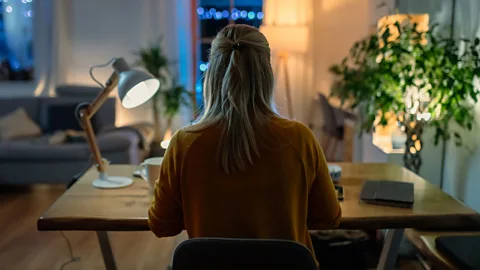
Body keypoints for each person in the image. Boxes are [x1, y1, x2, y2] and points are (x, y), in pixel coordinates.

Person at [148, 24, 341, 264]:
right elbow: (329, 218)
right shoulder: (300, 139)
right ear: (266, 75)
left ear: (213, 76)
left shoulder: (183, 144)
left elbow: (161, 225)